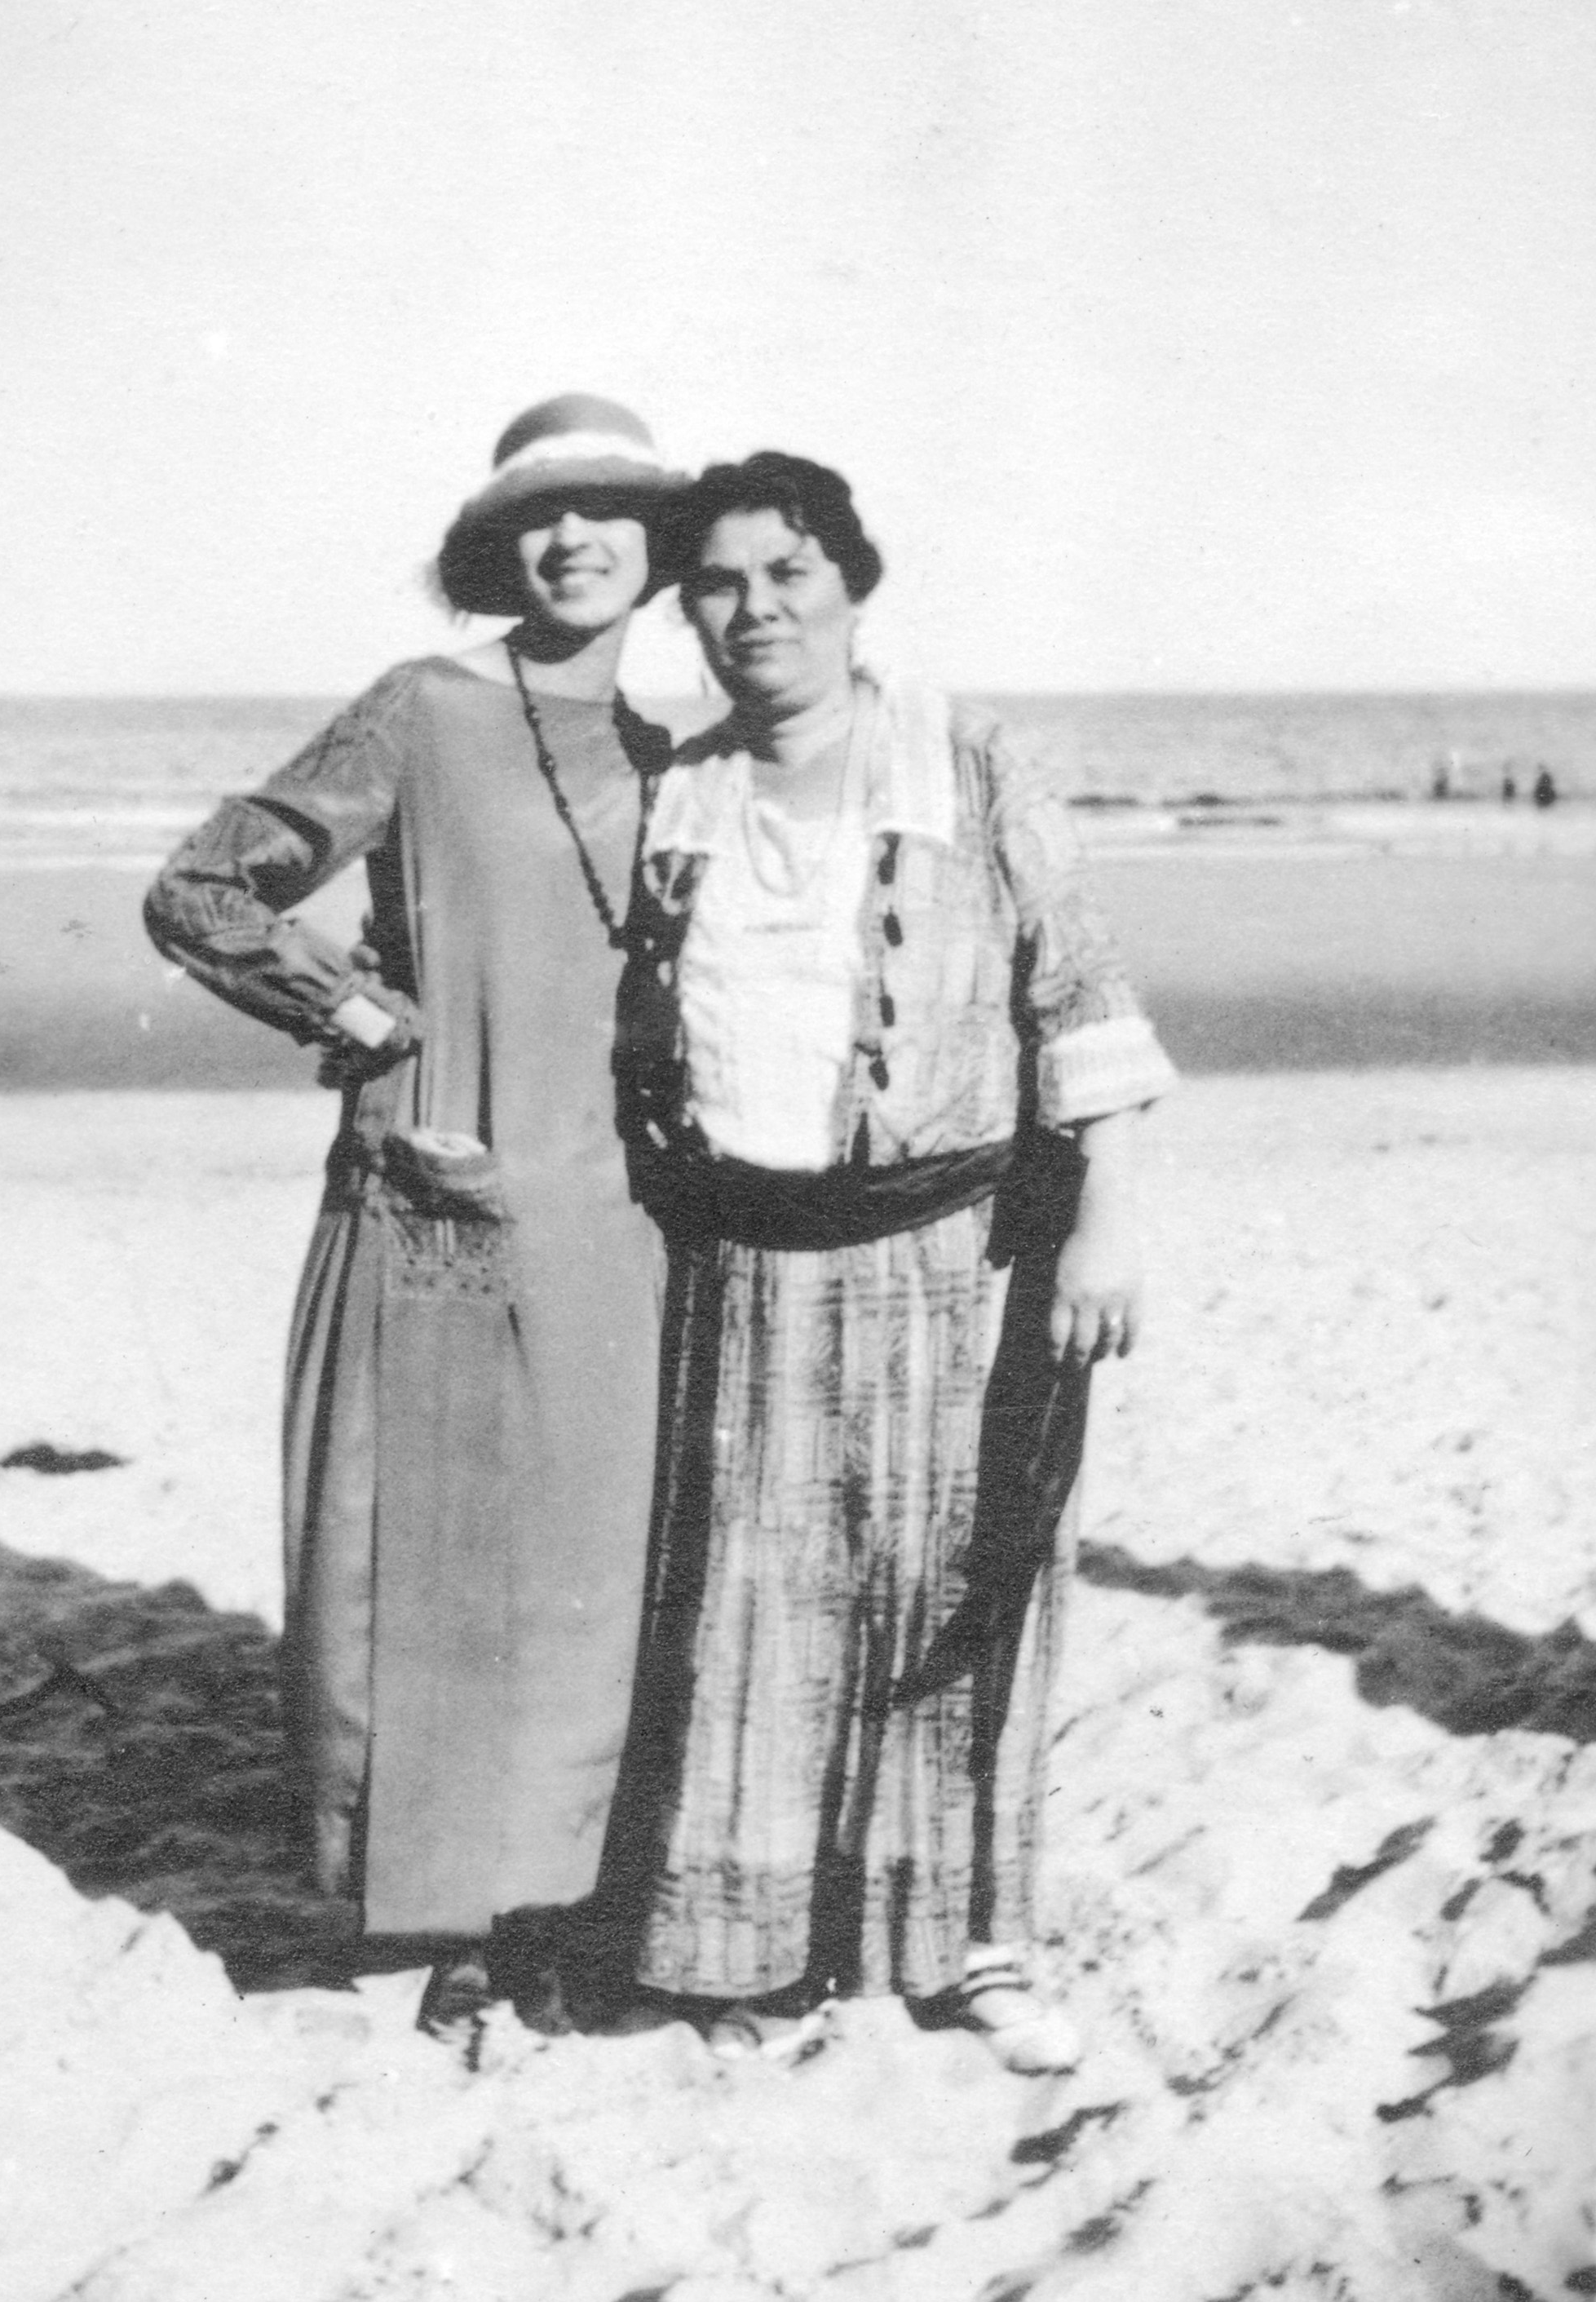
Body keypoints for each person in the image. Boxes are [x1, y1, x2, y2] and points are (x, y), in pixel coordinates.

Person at [610, 451, 1177, 2072]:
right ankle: (748, 1948)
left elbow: (1076, 987)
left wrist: (1105, 1217)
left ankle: (974, 1948)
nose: (754, 607)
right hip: (745, 1259)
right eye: (717, 581)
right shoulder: (684, 791)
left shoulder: (969, 760)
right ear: (690, 612)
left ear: (850, 585)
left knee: (958, 1594)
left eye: (788, 571)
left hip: (963, 1250)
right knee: (760, 1601)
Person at [144, 396, 685, 2037]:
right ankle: (454, 1917)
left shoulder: (681, 757)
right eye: (541, 515)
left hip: (623, 1212)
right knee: (442, 1557)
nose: (574, 537)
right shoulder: (425, 707)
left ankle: (564, 1904)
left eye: (607, 509)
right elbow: (201, 886)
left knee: (593, 1564)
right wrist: (349, 1010)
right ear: (495, 548)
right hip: (441, 1179)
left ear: (660, 547)